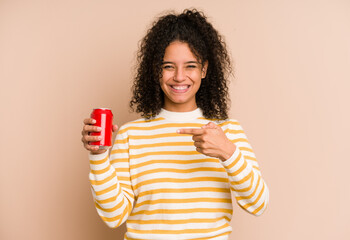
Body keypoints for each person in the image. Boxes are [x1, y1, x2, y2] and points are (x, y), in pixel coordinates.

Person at [81, 9, 269, 240]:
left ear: (204, 69)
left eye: (190, 65)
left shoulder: (227, 132)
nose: (179, 76)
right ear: (156, 70)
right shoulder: (132, 135)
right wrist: (99, 157)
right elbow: (113, 216)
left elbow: (258, 204)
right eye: (169, 66)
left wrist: (228, 153)